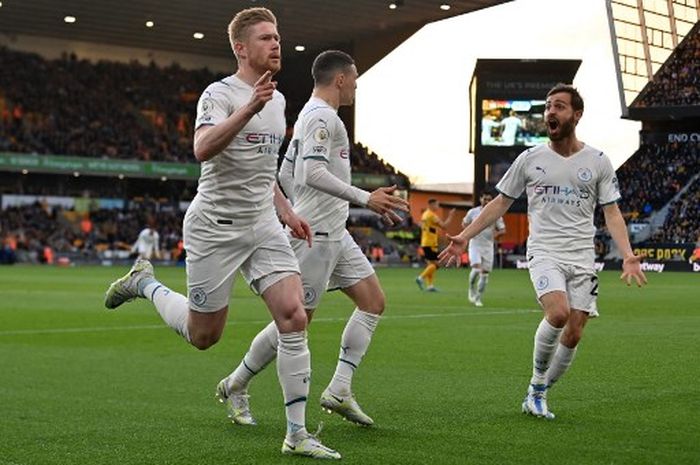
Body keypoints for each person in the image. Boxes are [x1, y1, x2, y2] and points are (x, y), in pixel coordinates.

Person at [103, 7, 340, 460]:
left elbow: (263, 169)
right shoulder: (220, 94)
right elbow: (202, 147)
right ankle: (144, 283)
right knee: (203, 335)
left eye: (278, 37)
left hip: (263, 224)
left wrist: (286, 210)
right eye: (267, 38)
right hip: (216, 227)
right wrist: (250, 105)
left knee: (294, 315)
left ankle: (297, 434)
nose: (276, 44)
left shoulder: (280, 101)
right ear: (241, 48)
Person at [217, 50, 409, 430]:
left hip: (332, 232)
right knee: (295, 322)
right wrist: (364, 198)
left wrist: (299, 208)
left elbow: (288, 173)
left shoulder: (310, 115)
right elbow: (312, 172)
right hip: (316, 237)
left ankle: (340, 389)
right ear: (340, 79)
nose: (355, 85)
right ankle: (236, 383)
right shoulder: (322, 117)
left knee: (373, 302)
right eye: (354, 78)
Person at [439, 83, 647, 419]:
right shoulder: (530, 158)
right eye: (548, 106)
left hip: (582, 255)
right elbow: (500, 202)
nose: (551, 112)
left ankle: (538, 393)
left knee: (575, 331)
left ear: (576, 115)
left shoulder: (597, 161)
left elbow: (611, 211)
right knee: (558, 313)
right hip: (545, 250)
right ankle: (536, 388)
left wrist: (627, 254)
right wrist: (464, 236)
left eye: (560, 106)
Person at [463, 191, 506, 307]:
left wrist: (495, 234)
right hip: (475, 244)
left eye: (489, 199)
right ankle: (471, 287)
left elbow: (502, 229)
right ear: (480, 199)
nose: (486, 201)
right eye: (484, 199)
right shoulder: (473, 212)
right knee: (476, 269)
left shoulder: (496, 213)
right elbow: (464, 223)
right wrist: (469, 233)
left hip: (488, 246)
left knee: (485, 274)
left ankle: (478, 297)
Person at [415, 199, 455, 292]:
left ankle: (430, 286)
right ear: (431, 205)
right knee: (437, 264)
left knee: (431, 265)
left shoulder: (425, 214)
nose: (438, 207)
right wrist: (450, 216)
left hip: (425, 241)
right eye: (437, 205)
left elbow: (421, 225)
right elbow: (444, 226)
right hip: (430, 243)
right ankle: (420, 278)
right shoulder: (431, 215)